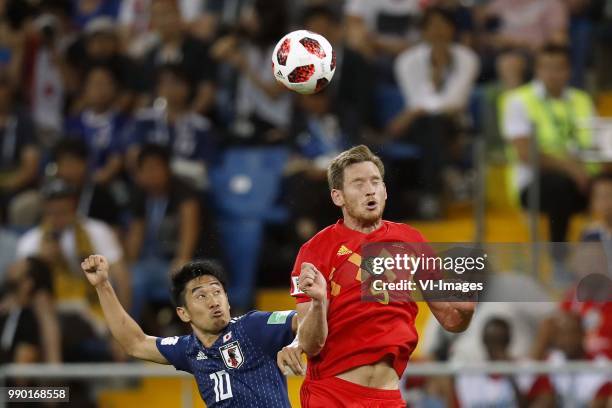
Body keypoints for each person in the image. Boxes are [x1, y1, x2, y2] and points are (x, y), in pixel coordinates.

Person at [277, 145, 475, 407]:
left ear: (385, 191)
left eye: (375, 182)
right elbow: (311, 345)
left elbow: (451, 320)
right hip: (332, 394)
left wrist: (466, 311)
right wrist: (317, 303)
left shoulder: (412, 241)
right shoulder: (315, 250)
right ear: (338, 197)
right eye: (358, 183)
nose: (370, 189)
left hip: (388, 398)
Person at [81, 254, 299, 407]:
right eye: (201, 296)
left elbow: (302, 320)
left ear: (228, 301)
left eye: (217, 292)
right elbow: (135, 343)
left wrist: (297, 344)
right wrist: (102, 285)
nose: (214, 302)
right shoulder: (188, 349)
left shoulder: (252, 326)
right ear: (183, 313)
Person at [502, 44, 595, 243]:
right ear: (537, 70)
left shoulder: (582, 100)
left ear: (569, 70)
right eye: (546, 67)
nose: (552, 74)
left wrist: (586, 171)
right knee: (558, 186)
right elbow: (525, 152)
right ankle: (558, 257)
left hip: (582, 177)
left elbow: (598, 145)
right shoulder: (518, 101)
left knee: (602, 186)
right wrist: (570, 168)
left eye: (559, 68)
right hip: (534, 182)